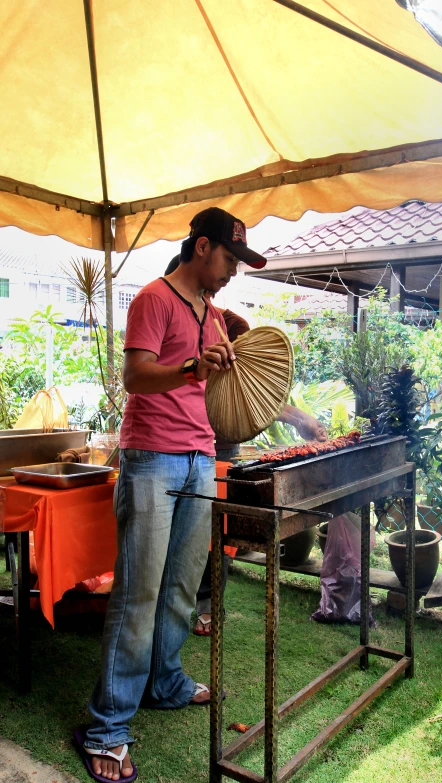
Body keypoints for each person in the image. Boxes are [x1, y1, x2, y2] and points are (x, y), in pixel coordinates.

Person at [77, 207, 268, 783]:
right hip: (152, 460)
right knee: (138, 595)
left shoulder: (212, 313)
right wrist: (190, 364)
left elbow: (218, 373)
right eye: (231, 259)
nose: (234, 270)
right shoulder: (153, 300)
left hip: (200, 459)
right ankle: (107, 728)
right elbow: (135, 377)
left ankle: (165, 682)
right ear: (202, 247)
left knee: (184, 586)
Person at [164, 255, 327, 636]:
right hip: (177, 448)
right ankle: (182, 609)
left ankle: (206, 605)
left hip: (218, 447)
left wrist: (301, 418)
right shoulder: (167, 314)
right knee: (188, 537)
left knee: (213, 532)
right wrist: (300, 418)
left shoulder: (226, 324)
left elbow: (254, 396)